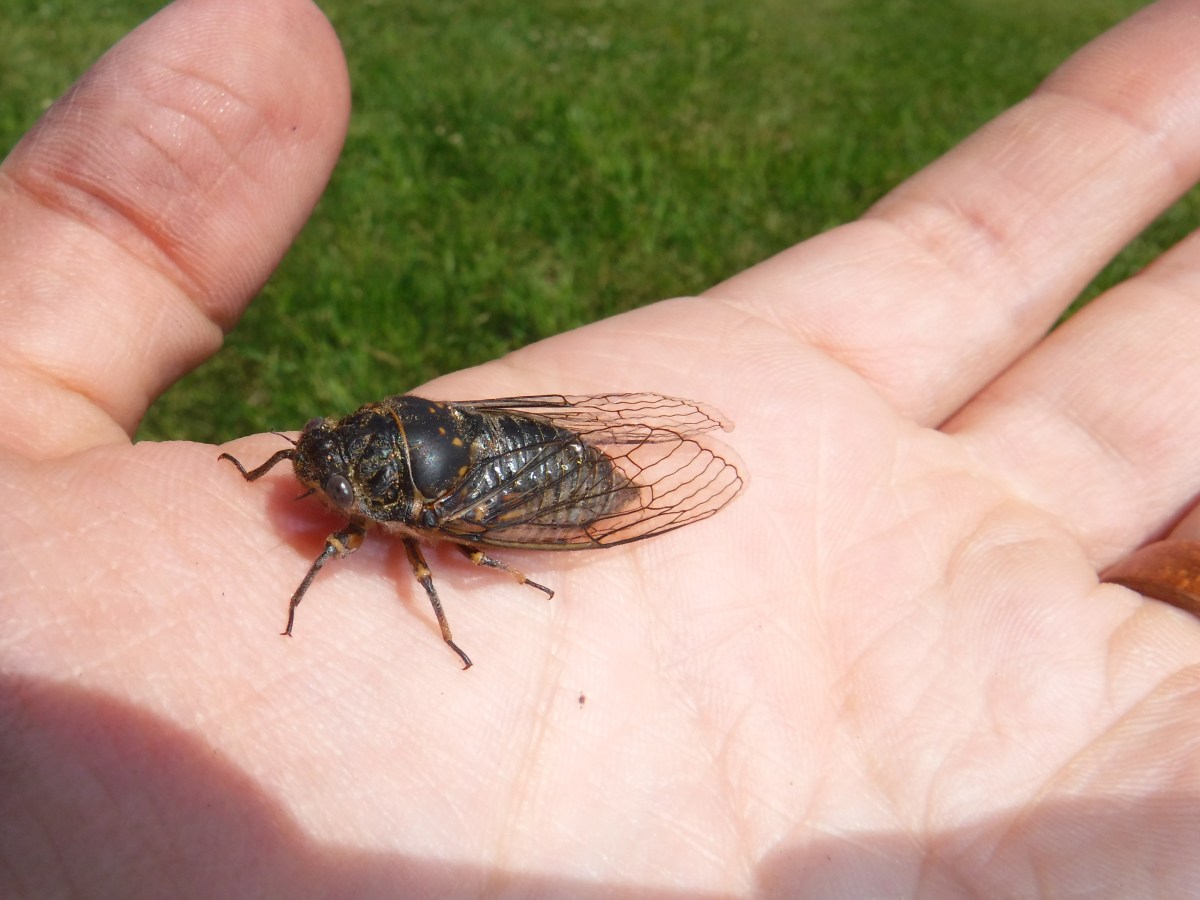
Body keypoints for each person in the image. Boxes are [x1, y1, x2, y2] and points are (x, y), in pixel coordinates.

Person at [2, 0, 1198, 895]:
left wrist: (405, 573)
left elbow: (392, 549)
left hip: (526, 477)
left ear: (374, 479)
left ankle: (519, 552)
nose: (313, 470)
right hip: (491, 449)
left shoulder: (388, 524)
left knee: (469, 551)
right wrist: (276, 466)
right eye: (318, 457)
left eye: (336, 466)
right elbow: (315, 470)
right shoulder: (339, 463)